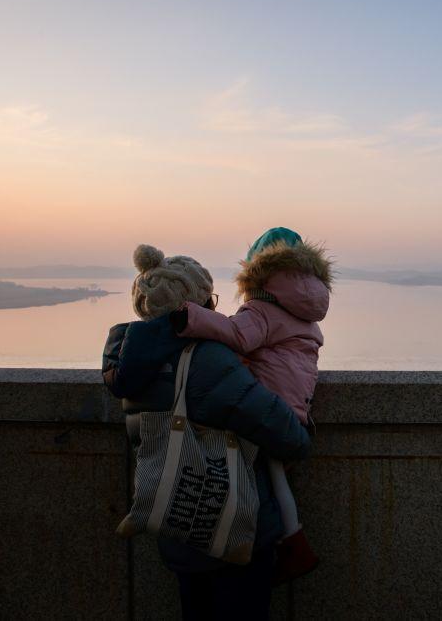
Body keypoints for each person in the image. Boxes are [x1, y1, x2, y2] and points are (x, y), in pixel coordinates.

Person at [102, 244, 311, 620]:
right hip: (230, 527)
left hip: (177, 525)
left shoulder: (128, 361)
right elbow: (284, 433)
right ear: (196, 307)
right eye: (209, 300)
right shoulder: (207, 361)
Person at [169, 226, 331, 583]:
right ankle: (293, 544)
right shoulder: (305, 313)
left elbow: (239, 334)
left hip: (269, 408)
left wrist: (191, 317)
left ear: (257, 269)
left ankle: (292, 548)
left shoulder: (262, 310)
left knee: (263, 483)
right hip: (296, 409)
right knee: (278, 481)